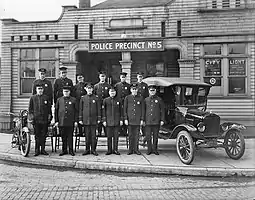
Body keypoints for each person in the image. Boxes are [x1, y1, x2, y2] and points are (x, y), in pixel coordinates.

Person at [28, 83, 52, 156]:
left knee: (44, 135)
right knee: (37, 135)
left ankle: (43, 150)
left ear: (43, 90)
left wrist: (49, 118)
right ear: (36, 90)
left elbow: (49, 110)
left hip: (44, 120)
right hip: (36, 120)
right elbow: (30, 109)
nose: (40, 90)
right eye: (39, 89)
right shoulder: (33, 98)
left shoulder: (46, 98)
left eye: (41, 89)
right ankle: (37, 150)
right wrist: (32, 118)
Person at [55, 85, 78, 156]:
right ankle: (64, 150)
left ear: (69, 92)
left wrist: (75, 121)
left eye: (67, 91)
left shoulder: (73, 100)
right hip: (62, 121)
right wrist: (56, 121)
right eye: (64, 91)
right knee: (63, 137)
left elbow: (76, 111)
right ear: (62, 92)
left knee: (70, 137)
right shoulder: (59, 100)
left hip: (70, 122)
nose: (66, 93)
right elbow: (56, 111)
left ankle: (71, 150)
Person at [79, 83, 101, 156]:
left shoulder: (96, 98)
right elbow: (81, 109)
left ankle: (93, 150)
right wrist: (80, 119)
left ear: (92, 89)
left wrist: (99, 118)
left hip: (94, 120)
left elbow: (98, 109)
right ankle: (87, 149)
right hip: (86, 119)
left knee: (93, 136)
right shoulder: (83, 98)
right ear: (86, 89)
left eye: (90, 88)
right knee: (87, 135)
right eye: (88, 88)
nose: (89, 90)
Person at [124, 83, 145, 155]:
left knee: (136, 136)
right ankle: (130, 150)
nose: (134, 91)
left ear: (137, 90)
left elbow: (142, 110)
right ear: (130, 90)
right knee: (130, 135)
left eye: (135, 89)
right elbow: (125, 109)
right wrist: (126, 119)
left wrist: (142, 119)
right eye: (133, 89)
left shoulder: (140, 98)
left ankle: (136, 149)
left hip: (137, 120)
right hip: (130, 120)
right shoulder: (127, 98)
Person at [144, 85, 165, 155]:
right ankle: (149, 149)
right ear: (148, 91)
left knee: (155, 137)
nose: (152, 92)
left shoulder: (159, 99)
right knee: (148, 136)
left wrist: (162, 120)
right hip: (148, 121)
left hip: (156, 121)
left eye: (153, 90)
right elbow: (143, 111)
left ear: (155, 91)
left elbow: (162, 110)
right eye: (151, 90)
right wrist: (143, 120)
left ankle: (155, 149)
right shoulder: (146, 100)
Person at [102, 86, 123, 155]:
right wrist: (104, 120)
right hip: (108, 121)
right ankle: (109, 150)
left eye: (113, 92)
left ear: (115, 92)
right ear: (109, 92)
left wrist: (121, 120)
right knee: (109, 137)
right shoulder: (105, 100)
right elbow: (103, 111)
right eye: (111, 92)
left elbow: (121, 111)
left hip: (116, 121)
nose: (112, 93)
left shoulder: (119, 100)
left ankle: (115, 150)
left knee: (116, 137)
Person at [94, 71, 111, 136]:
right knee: (99, 116)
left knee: (105, 116)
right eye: (101, 76)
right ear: (99, 77)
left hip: (106, 104)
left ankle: (106, 131)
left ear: (105, 77)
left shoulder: (108, 86)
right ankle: (99, 131)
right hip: (98, 104)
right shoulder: (96, 86)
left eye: (103, 76)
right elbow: (94, 96)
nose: (102, 78)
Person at [115, 72, 131, 136]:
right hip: (118, 103)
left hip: (126, 103)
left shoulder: (129, 86)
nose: (123, 78)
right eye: (122, 77)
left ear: (126, 78)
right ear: (120, 78)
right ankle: (119, 131)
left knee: (125, 115)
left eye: (124, 77)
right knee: (119, 115)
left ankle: (125, 131)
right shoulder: (117, 85)